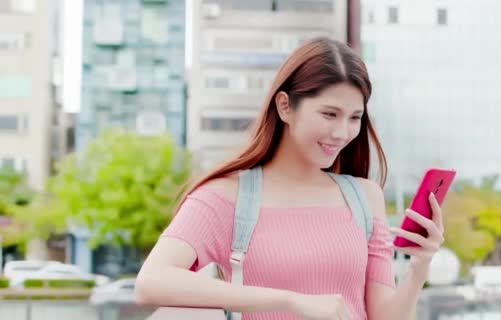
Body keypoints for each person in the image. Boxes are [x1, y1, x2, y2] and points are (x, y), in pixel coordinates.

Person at [135, 37, 446, 320]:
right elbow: (152, 281)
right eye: (329, 114)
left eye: (355, 117)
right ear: (285, 106)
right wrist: (290, 301)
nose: (342, 133)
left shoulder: (364, 197)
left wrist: (419, 266)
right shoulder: (226, 195)